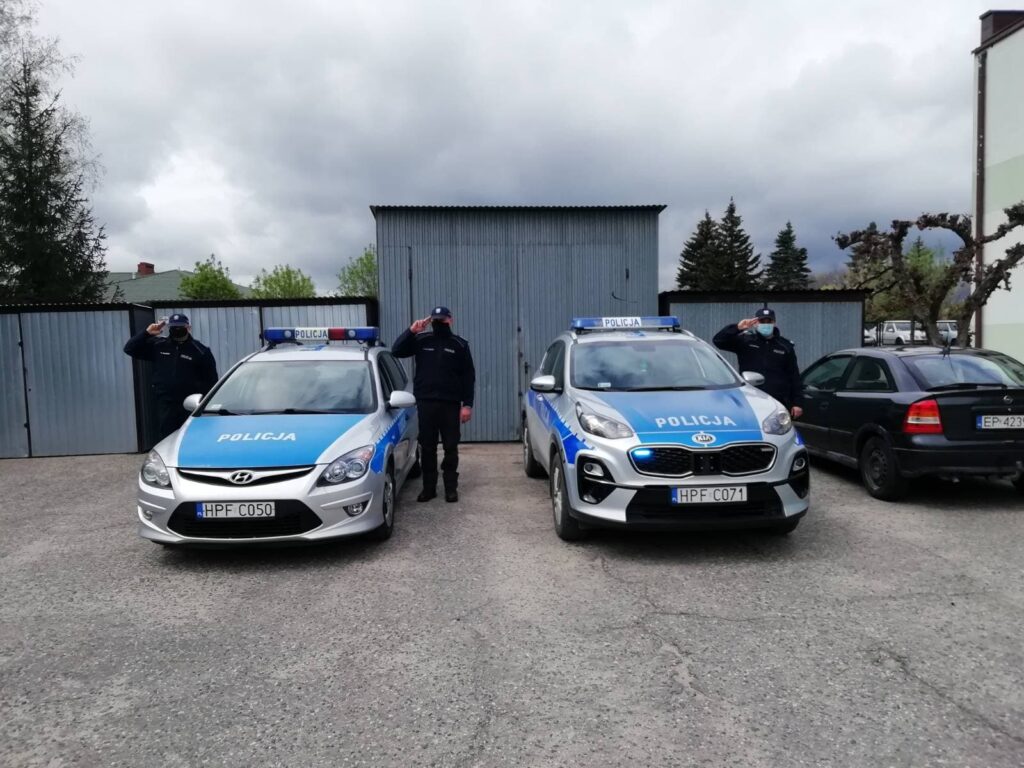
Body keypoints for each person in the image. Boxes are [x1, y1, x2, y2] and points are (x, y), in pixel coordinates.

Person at [392, 305, 475, 503]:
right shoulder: (421, 340)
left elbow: (468, 377)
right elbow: (396, 351)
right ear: (431, 321)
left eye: (442, 320)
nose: (439, 323)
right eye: (435, 320)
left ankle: (450, 488)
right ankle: (429, 488)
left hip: (450, 404)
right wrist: (412, 330)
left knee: (450, 447)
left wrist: (467, 405)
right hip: (426, 403)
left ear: (450, 320)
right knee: (427, 447)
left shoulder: (459, 344)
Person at [124, 313, 219, 440]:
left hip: (190, 405)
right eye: (174, 327)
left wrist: (205, 405)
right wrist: (146, 333)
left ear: (188, 328)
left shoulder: (200, 350)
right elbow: (129, 349)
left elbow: (212, 380)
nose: (177, 330)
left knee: (190, 438)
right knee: (167, 439)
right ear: (169, 328)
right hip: (166, 404)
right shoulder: (159, 345)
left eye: (180, 327)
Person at [713, 307, 803, 418]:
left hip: (777, 399)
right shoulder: (746, 340)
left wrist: (797, 403)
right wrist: (737, 328)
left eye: (769, 321)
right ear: (755, 323)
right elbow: (718, 341)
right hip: (750, 397)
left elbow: (793, 375)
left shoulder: (785, 346)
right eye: (762, 321)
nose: (766, 324)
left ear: (774, 323)